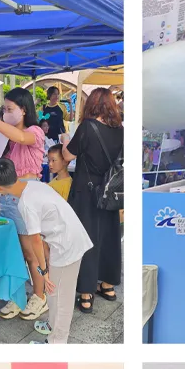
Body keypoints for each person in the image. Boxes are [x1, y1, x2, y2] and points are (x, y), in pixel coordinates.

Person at [0, 158, 93, 344]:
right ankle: (52, 326)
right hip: (64, 238)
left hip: (67, 244)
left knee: (61, 298)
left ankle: (56, 343)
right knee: (54, 294)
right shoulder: (33, 185)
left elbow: (35, 239)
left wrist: (43, 272)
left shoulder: (25, 204)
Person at [0, 88, 47, 321]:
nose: (5, 113)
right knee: (15, 250)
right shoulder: (8, 139)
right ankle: (17, 296)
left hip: (27, 196)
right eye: (3, 109)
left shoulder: (34, 132)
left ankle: (40, 296)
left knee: (31, 251)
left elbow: (21, 137)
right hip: (7, 197)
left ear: (24, 110)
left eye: (9, 109)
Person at [59, 87, 124, 314]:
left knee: (85, 238)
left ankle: (86, 293)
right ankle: (107, 285)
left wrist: (66, 139)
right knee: (109, 236)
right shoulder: (120, 130)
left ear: (91, 105)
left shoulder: (88, 127)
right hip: (110, 190)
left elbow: (68, 155)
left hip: (87, 191)